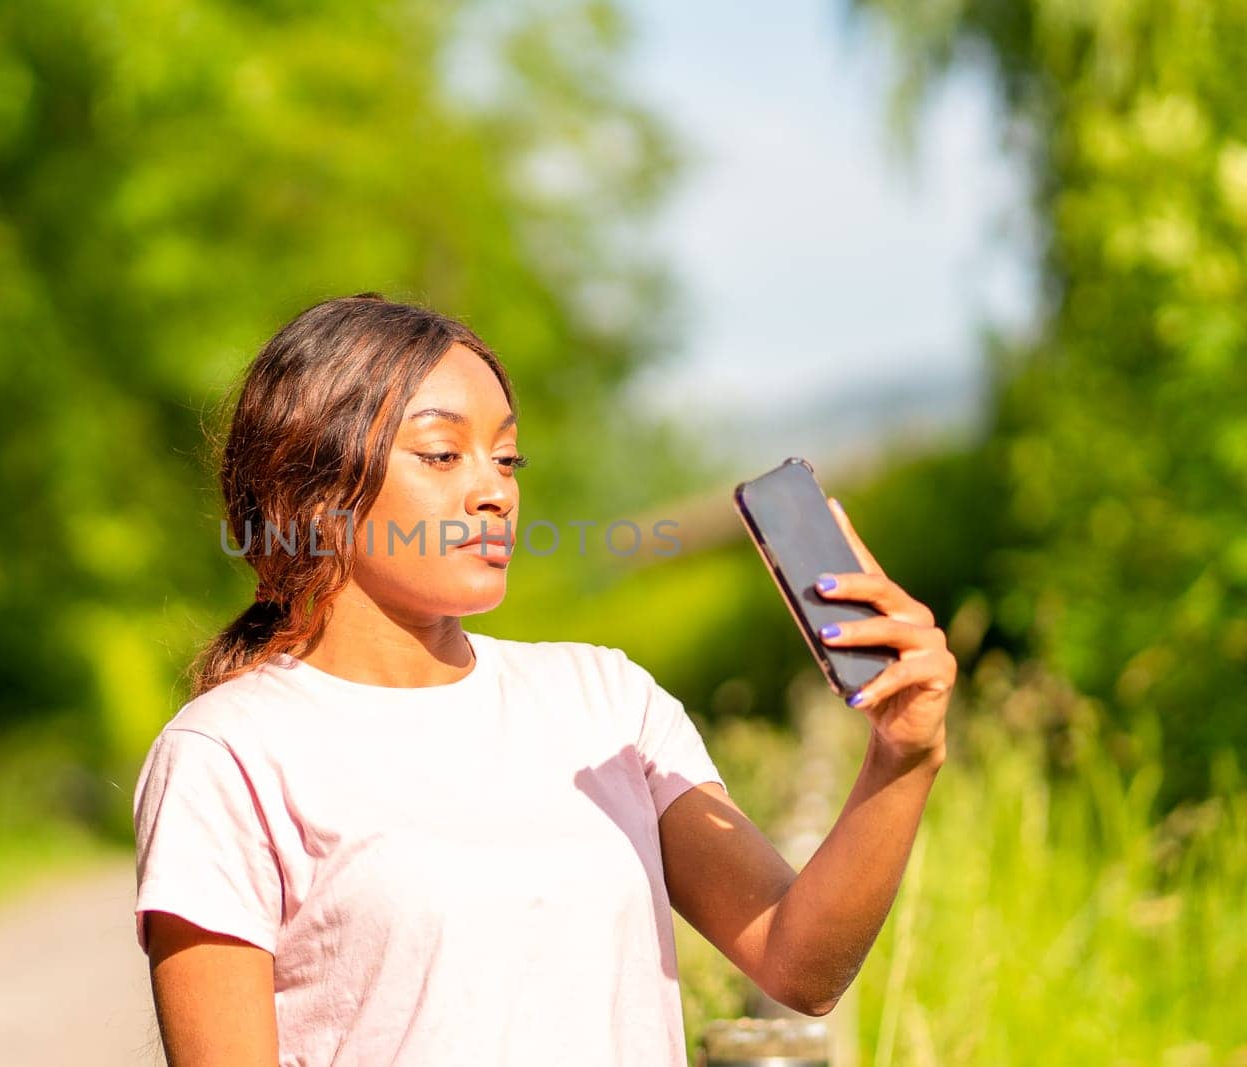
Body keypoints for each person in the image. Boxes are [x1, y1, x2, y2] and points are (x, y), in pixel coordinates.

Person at [132, 294, 955, 1066]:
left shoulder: (606, 701)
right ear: (314, 491)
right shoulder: (226, 753)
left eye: (507, 457)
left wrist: (902, 756)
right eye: (443, 453)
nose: (494, 490)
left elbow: (798, 959)